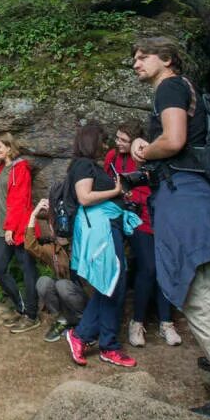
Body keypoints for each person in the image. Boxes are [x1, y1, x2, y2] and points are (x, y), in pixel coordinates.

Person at [129, 36, 210, 420]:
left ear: (166, 59)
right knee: (206, 295)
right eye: (134, 57)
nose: (136, 62)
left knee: (203, 300)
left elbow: (174, 140)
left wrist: (142, 149)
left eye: (143, 56)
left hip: (184, 199)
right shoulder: (188, 91)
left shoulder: (169, 86)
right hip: (194, 198)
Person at [63, 121, 142, 369]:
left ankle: (89, 338)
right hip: (101, 231)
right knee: (113, 285)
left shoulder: (86, 166)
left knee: (110, 285)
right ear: (92, 141)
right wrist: (116, 189)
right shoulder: (84, 165)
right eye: (103, 140)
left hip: (106, 228)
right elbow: (84, 197)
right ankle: (102, 343)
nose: (106, 145)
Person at [106, 122, 182, 348]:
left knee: (164, 267)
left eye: (123, 140)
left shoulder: (148, 157)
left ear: (136, 143)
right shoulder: (112, 157)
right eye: (117, 138)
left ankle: (166, 323)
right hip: (133, 219)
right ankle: (137, 322)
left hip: (156, 217)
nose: (118, 143)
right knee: (149, 267)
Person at [0, 132, 39, 333]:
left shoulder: (20, 168)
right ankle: (21, 306)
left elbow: (19, 201)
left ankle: (32, 315)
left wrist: (10, 228)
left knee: (28, 270)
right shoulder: (2, 169)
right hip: (3, 228)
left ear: (9, 147)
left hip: (19, 228)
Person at [26, 199, 86, 341]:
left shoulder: (81, 241)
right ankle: (62, 320)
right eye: (52, 224)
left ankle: (83, 321)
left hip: (85, 300)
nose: (56, 228)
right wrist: (33, 215)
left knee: (63, 285)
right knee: (43, 282)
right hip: (66, 298)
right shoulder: (52, 249)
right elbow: (30, 245)